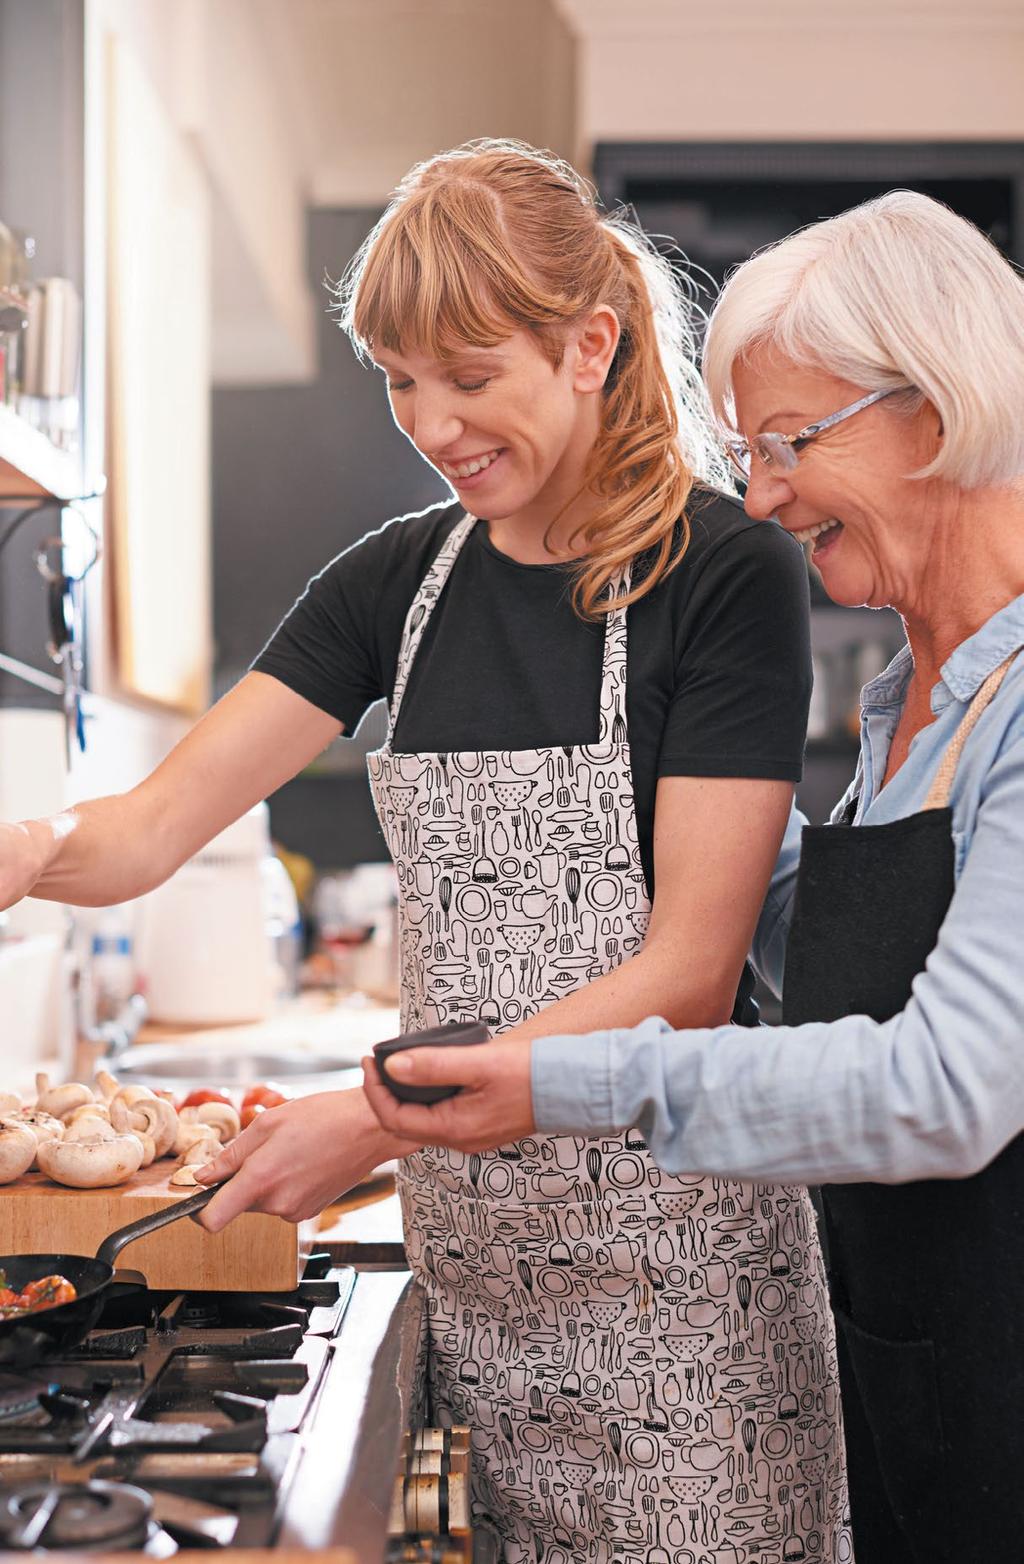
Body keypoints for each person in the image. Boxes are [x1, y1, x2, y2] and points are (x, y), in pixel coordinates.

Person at [2, 141, 849, 1561]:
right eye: (399, 380)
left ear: (590, 346)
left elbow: (689, 976)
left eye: (468, 376)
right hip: (481, 1295)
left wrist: (374, 1113)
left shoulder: (724, 576)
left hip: (686, 1301)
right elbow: (146, 830)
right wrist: (25, 847)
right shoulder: (395, 586)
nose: (430, 423)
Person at [363, 188, 1024, 1564]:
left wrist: (551, 1082)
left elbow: (947, 1089)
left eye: (788, 444)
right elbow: (804, 946)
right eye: (745, 451)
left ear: (939, 409)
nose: (764, 496)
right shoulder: (909, 706)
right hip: (923, 1383)